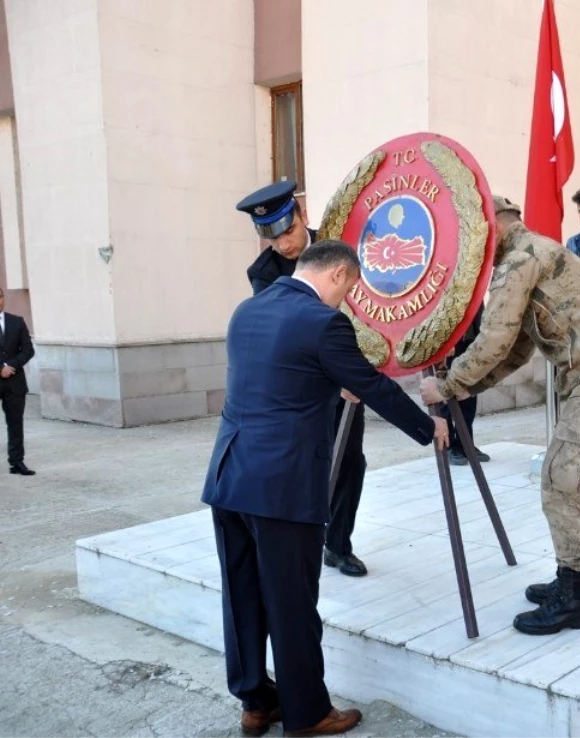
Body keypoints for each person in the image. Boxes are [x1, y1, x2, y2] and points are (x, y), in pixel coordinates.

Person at [202, 241, 449, 736]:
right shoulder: (323, 322)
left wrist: (329, 382)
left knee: (242, 597)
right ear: (337, 274)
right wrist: (429, 428)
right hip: (282, 488)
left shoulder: (248, 310)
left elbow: (277, 379)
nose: (346, 300)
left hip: (229, 477)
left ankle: (255, 701)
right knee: (291, 601)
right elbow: (374, 386)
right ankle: (307, 711)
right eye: (350, 288)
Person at [420, 196, 580, 636]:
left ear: (495, 228)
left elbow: (492, 342)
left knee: (562, 485)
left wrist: (448, 385)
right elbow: (518, 348)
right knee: (567, 480)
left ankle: (576, 599)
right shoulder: (536, 253)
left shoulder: (518, 261)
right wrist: (468, 384)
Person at [236, 181, 372, 578]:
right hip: (304, 388)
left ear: (303, 217)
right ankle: (304, 537)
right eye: (271, 237)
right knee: (304, 463)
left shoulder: (340, 245)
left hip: (350, 373)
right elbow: (291, 333)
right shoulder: (264, 273)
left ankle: (339, 545)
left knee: (349, 461)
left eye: (288, 231)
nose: (281, 245)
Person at [440, 310, 491, 467]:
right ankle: (449, 447)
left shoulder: (472, 284)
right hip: (447, 344)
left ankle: (465, 443)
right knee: (446, 399)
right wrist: (447, 341)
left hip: (470, 343)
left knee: (469, 398)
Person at [0, 287, 35, 476]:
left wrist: (11, 365)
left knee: (15, 423)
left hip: (14, 382)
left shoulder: (16, 322)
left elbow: (28, 350)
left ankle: (17, 462)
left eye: (0, 297)